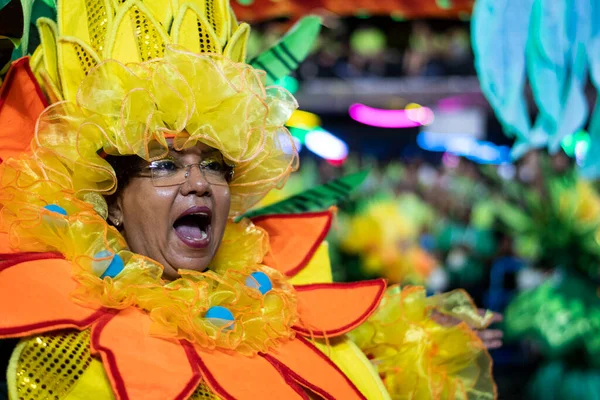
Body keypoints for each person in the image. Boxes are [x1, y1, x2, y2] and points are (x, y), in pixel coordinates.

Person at [0, 1, 498, 398]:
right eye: (166, 164)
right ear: (110, 198)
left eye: (214, 164)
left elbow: (334, 343)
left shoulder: (264, 298)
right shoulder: (62, 325)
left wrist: (411, 340)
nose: (198, 183)